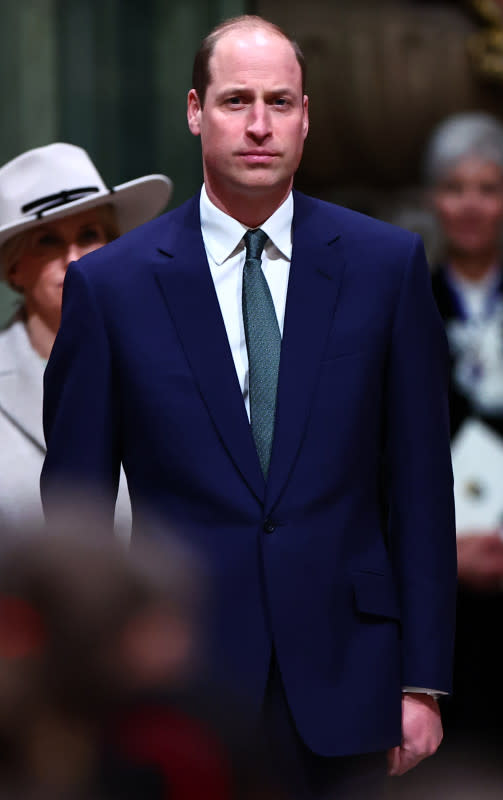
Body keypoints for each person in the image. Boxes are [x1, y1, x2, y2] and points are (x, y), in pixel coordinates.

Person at [41, 16, 457, 798]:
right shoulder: (113, 286)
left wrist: (422, 680)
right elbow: (76, 512)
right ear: (196, 111)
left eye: (279, 101)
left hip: (352, 675)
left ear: (307, 116)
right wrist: (86, 685)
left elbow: (419, 490)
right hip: (173, 680)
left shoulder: (384, 265)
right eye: (236, 101)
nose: (259, 125)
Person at [0, 142, 172, 527]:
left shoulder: (169, 366)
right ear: (14, 268)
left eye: (90, 235)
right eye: (48, 241)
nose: (74, 260)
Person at [425, 111, 503, 744]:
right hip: (440, 569)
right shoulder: (408, 305)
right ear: (434, 200)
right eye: (456, 188)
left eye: (488, 187)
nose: (471, 205)